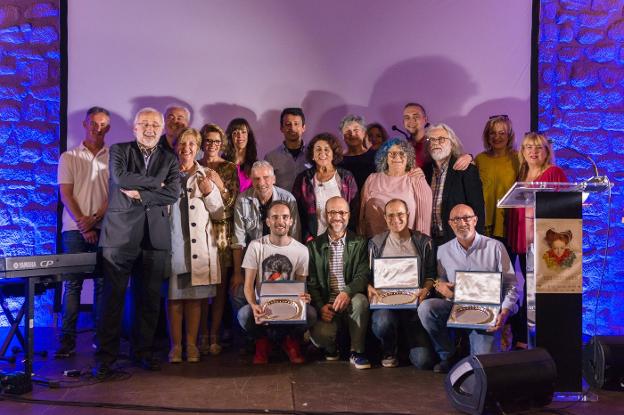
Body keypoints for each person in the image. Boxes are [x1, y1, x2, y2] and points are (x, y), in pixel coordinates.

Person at [94, 107, 180, 379]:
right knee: (113, 300)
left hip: (155, 238)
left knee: (149, 300)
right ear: (134, 127)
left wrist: (142, 195)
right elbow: (121, 178)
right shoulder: (119, 150)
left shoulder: (170, 157)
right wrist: (157, 183)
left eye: (155, 124)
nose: (150, 129)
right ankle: (106, 358)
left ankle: (142, 353)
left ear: (163, 128)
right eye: (144, 123)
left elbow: (173, 193)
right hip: (119, 237)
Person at [418, 204, 520, 373]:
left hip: (488, 311)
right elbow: (441, 281)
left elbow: (511, 285)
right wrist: (439, 285)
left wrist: (504, 312)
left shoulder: (495, 247)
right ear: (450, 224)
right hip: (456, 306)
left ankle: (472, 350)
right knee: (426, 308)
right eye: (456, 219)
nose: (462, 222)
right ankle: (448, 355)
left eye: (466, 218)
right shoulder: (443, 251)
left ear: (475, 220)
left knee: (483, 366)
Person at [55, 106, 110, 358]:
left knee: (102, 285)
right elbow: (66, 193)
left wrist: (96, 219)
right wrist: (83, 223)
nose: (98, 128)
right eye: (93, 124)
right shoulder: (69, 157)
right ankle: (67, 342)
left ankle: (101, 340)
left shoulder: (113, 157)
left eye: (103, 125)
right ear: (85, 124)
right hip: (74, 231)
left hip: (104, 229)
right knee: (73, 286)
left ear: (107, 128)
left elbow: (114, 195)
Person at [166, 128, 224, 363]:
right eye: (182, 143)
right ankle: (176, 346)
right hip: (174, 243)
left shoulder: (207, 174)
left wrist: (210, 192)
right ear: (176, 147)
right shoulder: (166, 174)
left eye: (191, 143)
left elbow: (219, 212)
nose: (186, 148)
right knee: (175, 298)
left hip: (199, 246)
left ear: (198, 147)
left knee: (195, 298)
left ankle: (191, 345)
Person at [506, 132, 567, 348]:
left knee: (539, 290)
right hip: (524, 240)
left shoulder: (554, 172)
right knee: (526, 288)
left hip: (544, 244)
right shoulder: (522, 173)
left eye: (538, 147)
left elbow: (564, 206)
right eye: (528, 147)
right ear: (522, 151)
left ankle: (541, 339)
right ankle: (525, 337)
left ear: (546, 151)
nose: (533, 152)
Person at [237, 201, 316, 364]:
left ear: (291, 221)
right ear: (268, 222)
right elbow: (248, 286)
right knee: (244, 314)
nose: (280, 222)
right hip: (263, 307)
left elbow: (301, 286)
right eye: (275, 217)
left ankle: (290, 341)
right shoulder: (256, 246)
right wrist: (253, 305)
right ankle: (262, 342)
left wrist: (304, 298)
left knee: (310, 314)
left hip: (288, 306)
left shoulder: (301, 250)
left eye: (285, 217)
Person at [368, 199, 436, 368]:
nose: (395, 219)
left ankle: (407, 347)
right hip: (386, 304)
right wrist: (368, 287)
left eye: (400, 214)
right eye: (390, 215)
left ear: (408, 215)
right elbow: (368, 277)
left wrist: (426, 290)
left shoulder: (424, 242)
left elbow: (430, 275)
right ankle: (389, 349)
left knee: (424, 361)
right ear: (384, 217)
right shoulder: (375, 243)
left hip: (414, 305)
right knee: (383, 322)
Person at [307, 196, 371, 369]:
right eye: (332, 212)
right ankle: (331, 348)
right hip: (328, 305)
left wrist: (347, 292)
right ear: (324, 215)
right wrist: (320, 306)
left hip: (350, 300)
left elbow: (363, 274)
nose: (337, 216)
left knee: (361, 301)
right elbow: (311, 282)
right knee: (320, 334)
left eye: (342, 212)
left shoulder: (360, 242)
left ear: (349, 215)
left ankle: (357, 351)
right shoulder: (313, 247)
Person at [230, 161, 300, 306]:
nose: (261, 182)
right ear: (251, 179)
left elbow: (295, 239)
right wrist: (237, 273)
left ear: (274, 179)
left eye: (266, 177)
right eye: (256, 178)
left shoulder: (288, 199)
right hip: (253, 263)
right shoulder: (242, 200)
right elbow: (238, 241)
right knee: (237, 293)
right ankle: (249, 324)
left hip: (282, 263)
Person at [197, 123, 239, 355]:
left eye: (216, 141)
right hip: (199, 232)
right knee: (203, 287)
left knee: (220, 288)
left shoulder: (229, 168)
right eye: (208, 140)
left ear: (222, 144)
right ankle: (201, 334)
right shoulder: (194, 165)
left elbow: (232, 202)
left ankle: (214, 335)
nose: (212, 145)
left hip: (223, 232)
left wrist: (220, 185)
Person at [423, 123, 485, 246]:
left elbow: (477, 209)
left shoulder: (466, 170)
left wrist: (476, 243)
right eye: (432, 140)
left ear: (451, 144)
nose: (435, 143)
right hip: (430, 240)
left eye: (441, 139)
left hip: (458, 240)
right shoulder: (425, 172)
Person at [359, 138, 432, 238]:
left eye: (402, 154)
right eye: (392, 154)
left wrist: (420, 245)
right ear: (385, 158)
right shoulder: (372, 179)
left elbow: (424, 220)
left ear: (408, 158)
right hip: (374, 245)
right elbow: (361, 217)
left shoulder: (416, 179)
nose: (397, 157)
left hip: (407, 245)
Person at [292, 132, 358, 242]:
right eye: (318, 149)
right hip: (313, 240)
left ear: (333, 154)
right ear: (312, 155)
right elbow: (297, 213)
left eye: (327, 149)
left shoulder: (346, 177)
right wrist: (306, 237)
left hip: (342, 239)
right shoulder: (303, 179)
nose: (322, 153)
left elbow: (354, 210)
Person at [474, 115, 519, 244]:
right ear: (487, 136)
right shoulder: (479, 159)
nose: (497, 137)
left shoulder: (518, 159)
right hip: (484, 225)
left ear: (509, 136)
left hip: (509, 225)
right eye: (492, 133)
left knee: (506, 264)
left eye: (502, 133)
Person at [402, 103, 472, 169]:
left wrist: (469, 157)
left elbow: (456, 156)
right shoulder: (400, 146)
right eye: (407, 117)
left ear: (425, 119)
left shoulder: (435, 142)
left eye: (416, 116)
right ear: (403, 122)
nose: (411, 120)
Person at [264, 108, 311, 192]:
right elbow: (267, 188)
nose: (292, 128)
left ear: (303, 127)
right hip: (281, 204)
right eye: (288, 124)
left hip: (309, 204)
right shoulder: (271, 157)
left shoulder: (313, 154)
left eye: (296, 124)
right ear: (281, 128)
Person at [337, 114, 377, 192]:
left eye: (356, 130)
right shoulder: (338, 160)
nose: (352, 134)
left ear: (364, 133)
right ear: (343, 136)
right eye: (347, 131)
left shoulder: (375, 156)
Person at [223, 118, 258, 193]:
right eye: (235, 133)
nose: (240, 136)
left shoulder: (255, 164)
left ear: (249, 136)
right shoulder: (223, 162)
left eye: (243, 132)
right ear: (230, 137)